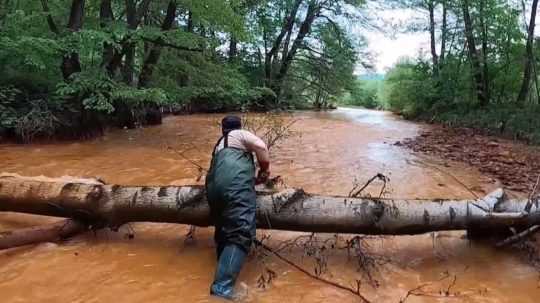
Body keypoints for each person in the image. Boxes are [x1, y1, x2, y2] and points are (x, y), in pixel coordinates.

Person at [205, 115, 270, 300]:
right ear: (239, 127)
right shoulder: (240, 134)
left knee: (224, 229)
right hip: (234, 187)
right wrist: (265, 171)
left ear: (222, 129)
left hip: (212, 190)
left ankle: (223, 264)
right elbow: (261, 147)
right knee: (240, 233)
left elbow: (218, 172)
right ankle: (221, 289)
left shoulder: (218, 145)